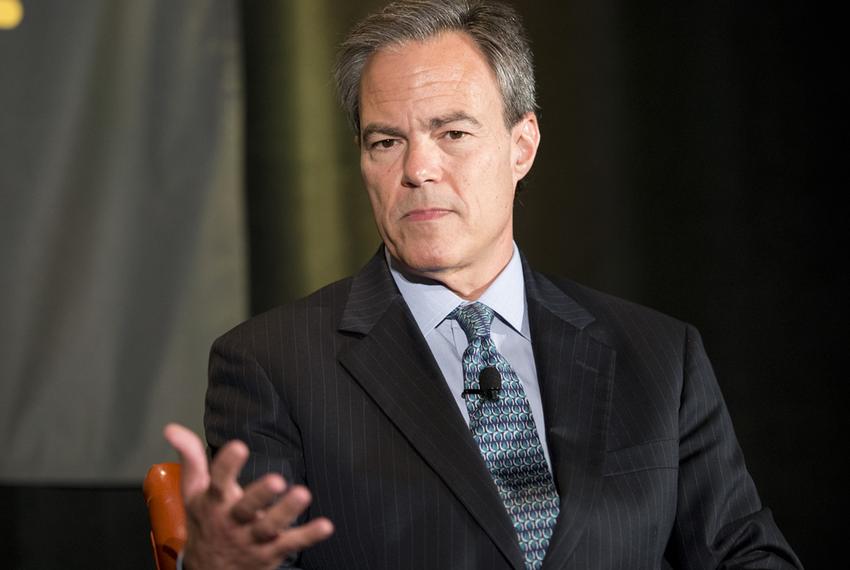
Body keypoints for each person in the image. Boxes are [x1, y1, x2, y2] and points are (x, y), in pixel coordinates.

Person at [165, 1, 802, 568]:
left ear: (521, 146)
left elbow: (745, 554)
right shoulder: (272, 365)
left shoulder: (661, 356)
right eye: (387, 141)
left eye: (453, 133)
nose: (417, 169)